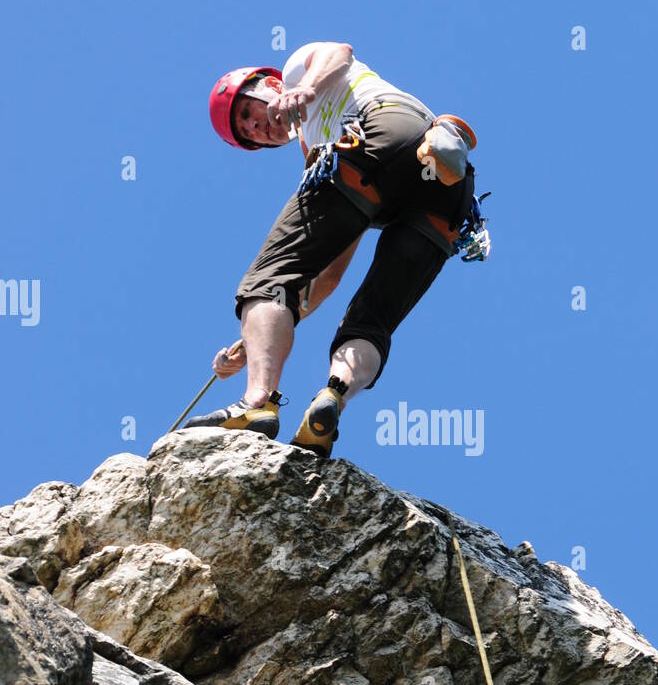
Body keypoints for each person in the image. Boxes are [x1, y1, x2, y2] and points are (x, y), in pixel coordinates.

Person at [187, 41, 479, 457]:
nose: (256, 127)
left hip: (382, 128)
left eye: (247, 112)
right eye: (249, 134)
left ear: (269, 84)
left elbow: (338, 52)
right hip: (448, 185)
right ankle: (333, 397)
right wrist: (252, 343)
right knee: (370, 321)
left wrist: (304, 87)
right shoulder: (316, 153)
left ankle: (255, 404)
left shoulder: (294, 73)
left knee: (268, 279)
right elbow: (327, 275)